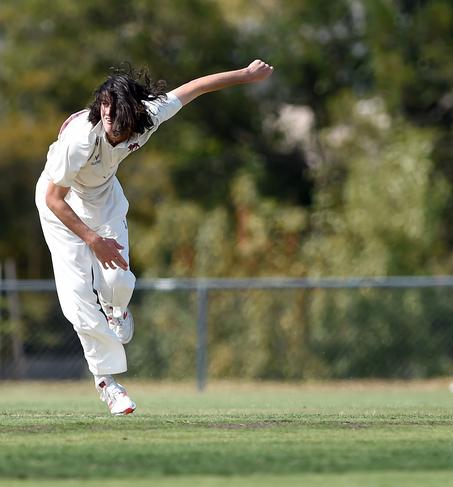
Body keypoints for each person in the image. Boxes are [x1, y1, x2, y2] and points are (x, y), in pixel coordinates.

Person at [35, 60, 274, 415]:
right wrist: (91, 239)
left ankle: (117, 308)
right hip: (61, 206)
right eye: (106, 111)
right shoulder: (80, 139)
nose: (111, 122)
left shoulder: (148, 115)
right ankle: (109, 384)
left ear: (135, 113)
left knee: (116, 279)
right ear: (100, 106)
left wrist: (245, 76)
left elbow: (195, 88)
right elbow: (55, 198)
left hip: (104, 200)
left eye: (119, 116)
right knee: (78, 302)